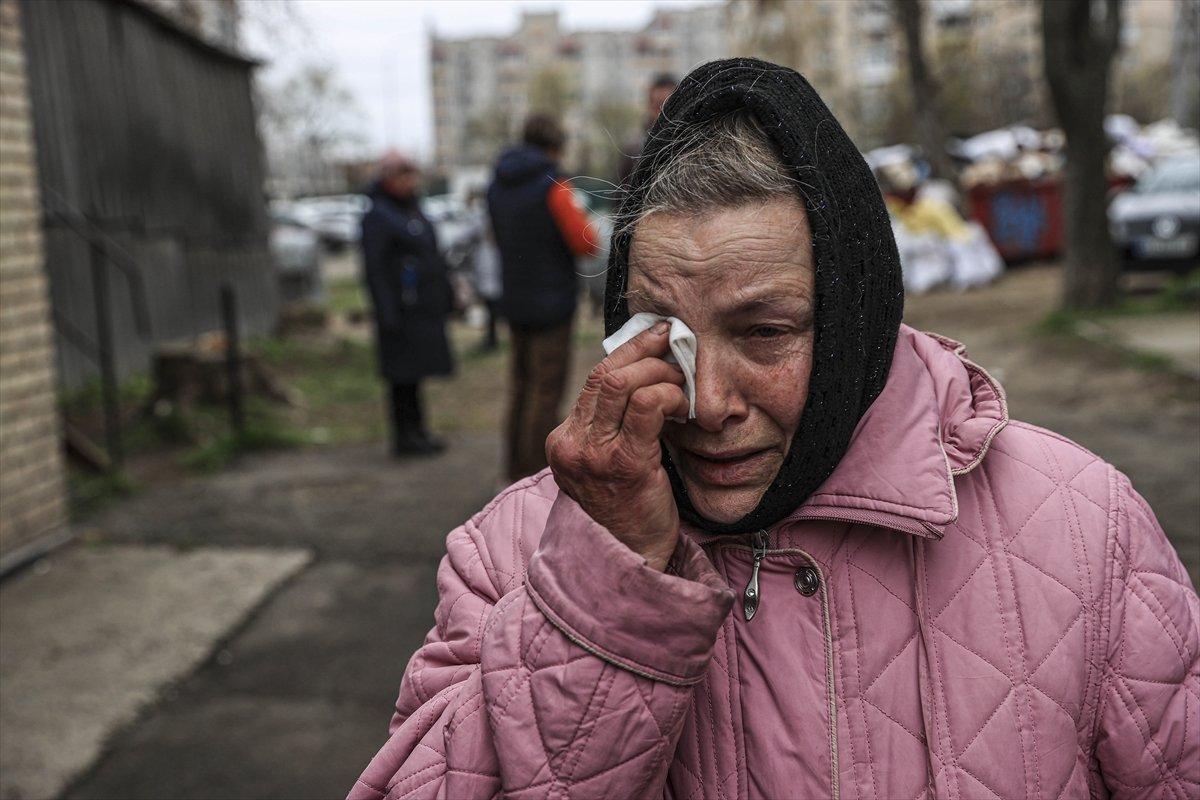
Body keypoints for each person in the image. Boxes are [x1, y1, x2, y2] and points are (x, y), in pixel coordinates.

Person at [348, 59, 1197, 800]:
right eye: (665, 334)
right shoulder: (512, 555)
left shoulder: (1086, 530)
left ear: (853, 319)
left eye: (764, 332)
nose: (705, 402)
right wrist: (606, 587)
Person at [487, 115, 599, 482]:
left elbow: (494, 236)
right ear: (555, 146)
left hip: (514, 298)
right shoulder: (555, 186)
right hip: (552, 304)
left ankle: (511, 468)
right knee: (545, 390)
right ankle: (536, 476)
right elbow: (586, 243)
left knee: (519, 385)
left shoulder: (497, 184)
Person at [360, 152, 453, 457]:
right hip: (399, 309)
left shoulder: (411, 209)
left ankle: (418, 431)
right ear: (389, 177)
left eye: (412, 174)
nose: (410, 181)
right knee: (401, 375)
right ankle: (404, 436)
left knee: (415, 373)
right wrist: (386, 310)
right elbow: (374, 268)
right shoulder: (379, 214)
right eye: (404, 175)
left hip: (420, 307)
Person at [616, 71, 677, 186]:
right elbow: (620, 198)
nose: (662, 113)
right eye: (657, 106)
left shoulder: (691, 145)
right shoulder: (634, 150)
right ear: (649, 105)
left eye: (668, 106)